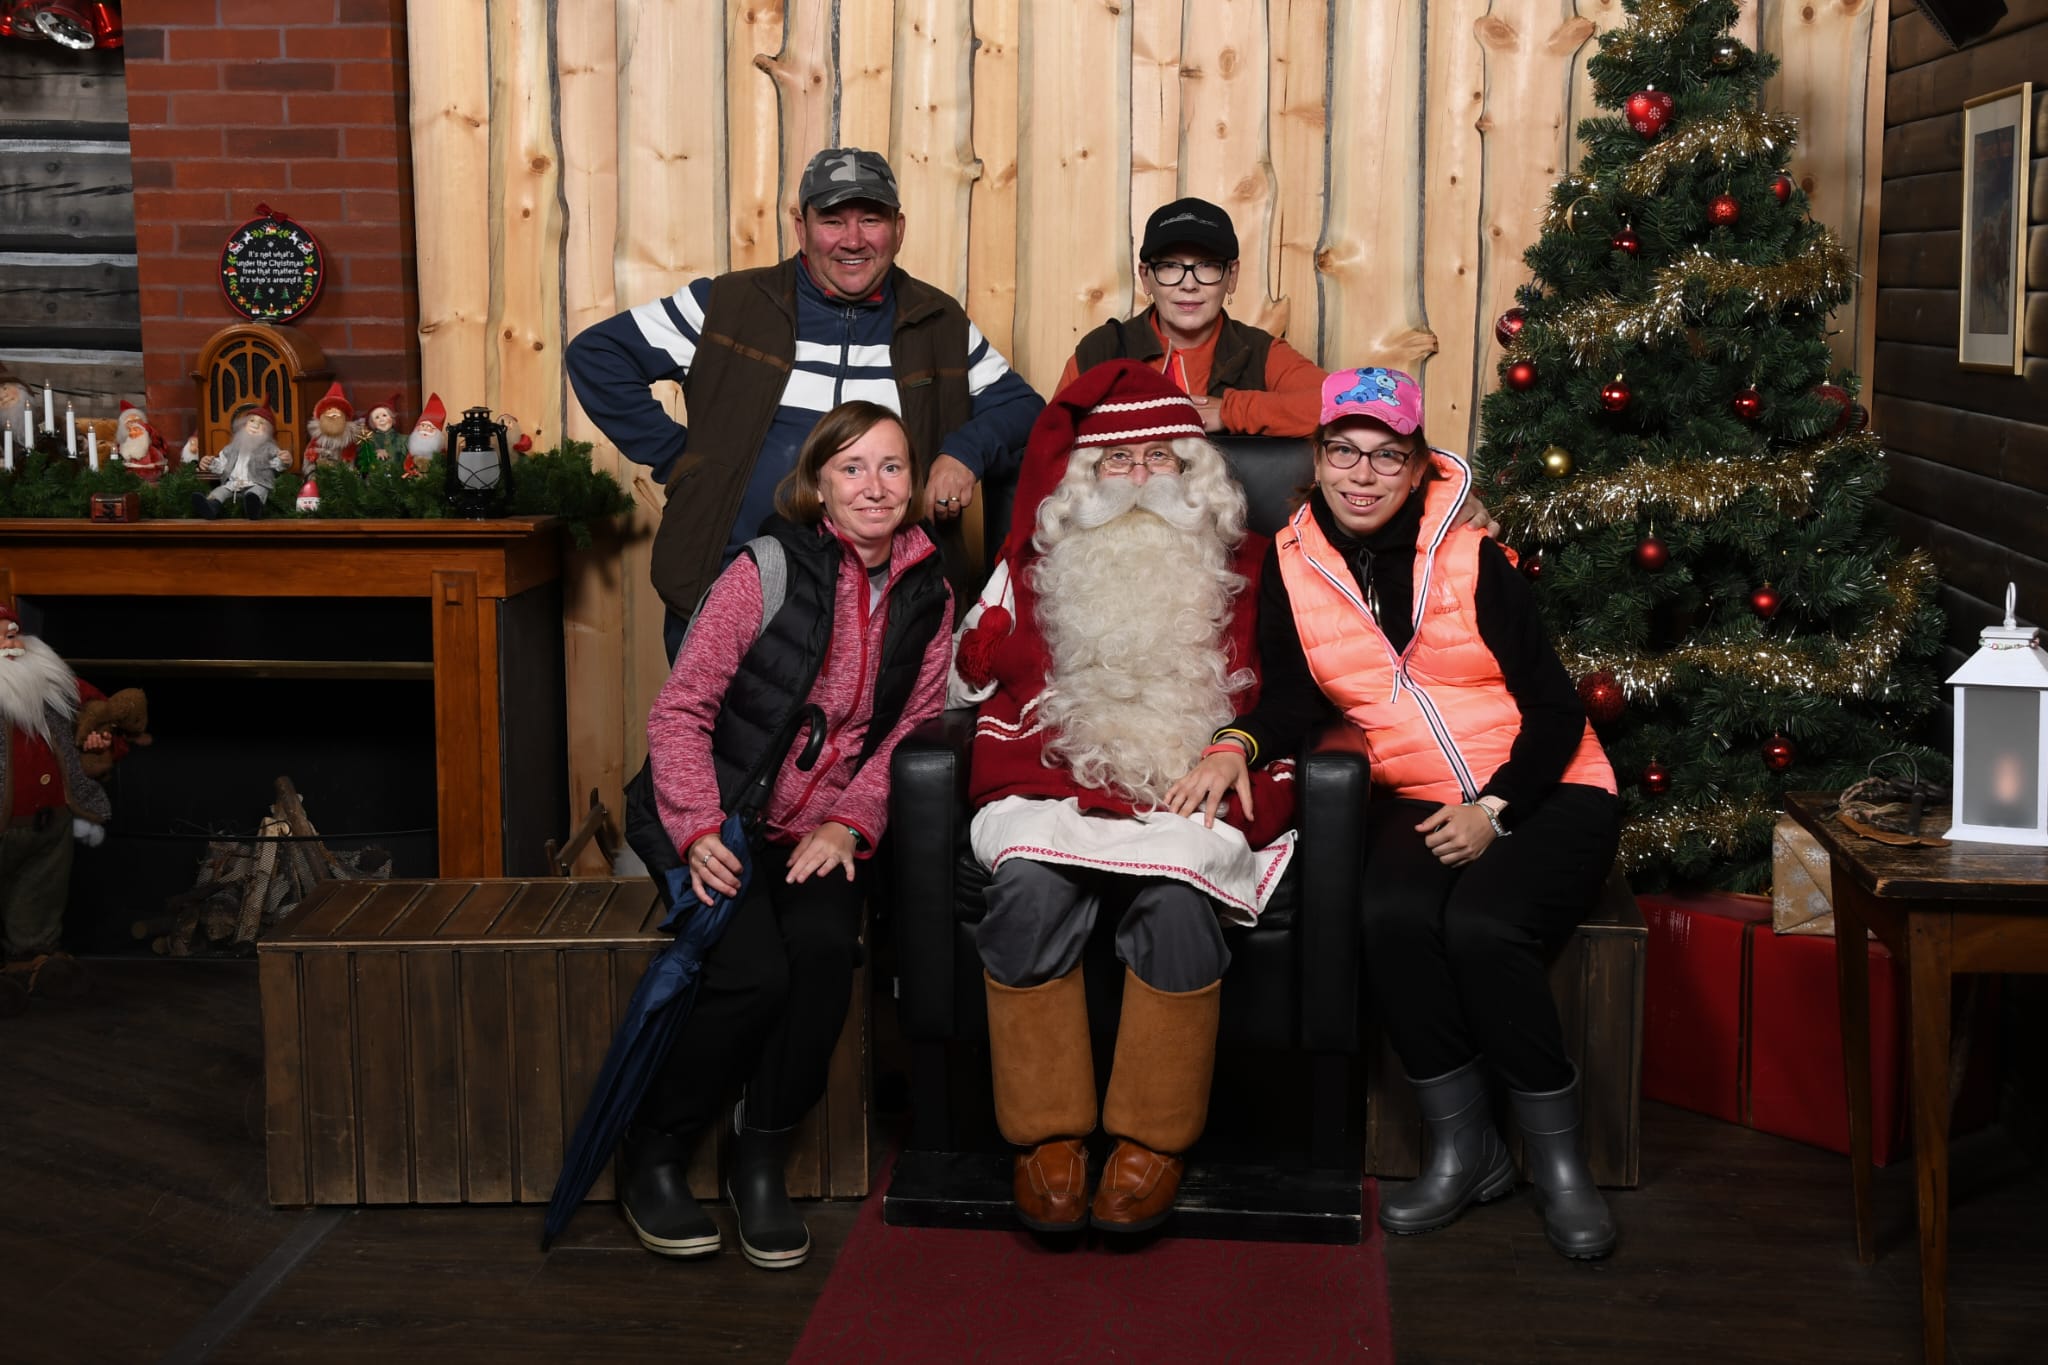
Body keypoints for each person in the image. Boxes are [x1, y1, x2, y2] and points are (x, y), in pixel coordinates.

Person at [1168, 366, 1623, 1259]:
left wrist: (1496, 809)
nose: (1362, 475)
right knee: (1390, 914)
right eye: (1344, 452)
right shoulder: (1293, 564)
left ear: (1417, 468)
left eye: (1386, 457)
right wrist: (1234, 745)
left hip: (1549, 787)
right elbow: (1292, 699)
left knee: (1485, 926)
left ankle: (1561, 1165)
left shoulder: (1472, 554)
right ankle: (1467, 1149)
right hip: (1414, 792)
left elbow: (1557, 708)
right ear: (1318, 458)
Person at [948, 359, 1297, 1235]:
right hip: (1056, 778)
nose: (1139, 478)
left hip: (1188, 785)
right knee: (1027, 890)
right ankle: (1046, 1137)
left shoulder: (1259, 563)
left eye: (1159, 458)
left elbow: (1301, 688)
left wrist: (1237, 748)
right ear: (1084, 477)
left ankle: (1152, 1140)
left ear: (1193, 470)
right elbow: (969, 677)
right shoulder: (1035, 563)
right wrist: (981, 641)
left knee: (1179, 902)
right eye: (1117, 460)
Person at [625, 401, 953, 1269]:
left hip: (820, 829)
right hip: (717, 811)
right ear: (818, 485)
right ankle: (655, 1149)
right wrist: (696, 826)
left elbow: (911, 729)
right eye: (852, 468)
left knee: (822, 958)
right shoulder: (766, 567)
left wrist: (851, 821)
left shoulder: (930, 591)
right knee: (751, 975)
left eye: (892, 466)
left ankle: (759, 1157)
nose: (874, 486)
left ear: (914, 483)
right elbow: (681, 709)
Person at [565, 146, 1042, 659]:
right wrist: (683, 463)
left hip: (886, 612)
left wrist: (964, 453)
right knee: (709, 712)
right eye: (832, 220)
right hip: (730, 589)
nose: (853, 240)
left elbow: (1023, 407)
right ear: (801, 227)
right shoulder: (728, 304)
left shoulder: (938, 322)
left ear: (898, 229)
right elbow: (597, 354)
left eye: (871, 219)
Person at [1056, 197, 1325, 438]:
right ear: (1146, 277)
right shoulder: (1100, 351)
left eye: (1207, 266)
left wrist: (1232, 412)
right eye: (1170, 266)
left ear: (1232, 276)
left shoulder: (1261, 353)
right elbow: (1050, 441)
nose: (1189, 284)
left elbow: (1345, 402)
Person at [0, 605, 112, 1016]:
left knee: (40, 893)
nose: (11, 640)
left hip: (50, 822)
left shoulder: (49, 680)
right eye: (1, 633)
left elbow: (99, 711)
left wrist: (99, 736)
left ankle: (31, 961)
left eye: (13, 631)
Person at [193, 405, 289, 519]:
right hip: (233, 484)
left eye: (261, 423)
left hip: (257, 483)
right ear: (244, 425)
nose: (255, 425)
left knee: (258, 492)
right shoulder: (232, 448)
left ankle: (254, 509)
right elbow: (222, 465)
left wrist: (284, 460)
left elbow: (278, 464)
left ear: (268, 430)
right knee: (220, 491)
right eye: (252, 420)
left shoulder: (269, 449)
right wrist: (210, 463)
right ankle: (211, 506)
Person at [303, 382, 361, 469]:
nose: (333, 413)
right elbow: (310, 456)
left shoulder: (349, 440)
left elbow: (351, 456)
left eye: (338, 410)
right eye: (329, 409)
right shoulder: (317, 439)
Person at [115, 400, 168, 482]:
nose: (134, 424)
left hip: (151, 473)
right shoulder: (121, 446)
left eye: (137, 421)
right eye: (130, 422)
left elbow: (160, 446)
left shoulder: (150, 438)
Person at [355, 395, 405, 468]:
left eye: (384, 415)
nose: (381, 419)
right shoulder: (369, 440)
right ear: (372, 423)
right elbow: (362, 460)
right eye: (377, 417)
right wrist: (375, 453)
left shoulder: (403, 439)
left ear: (392, 418)